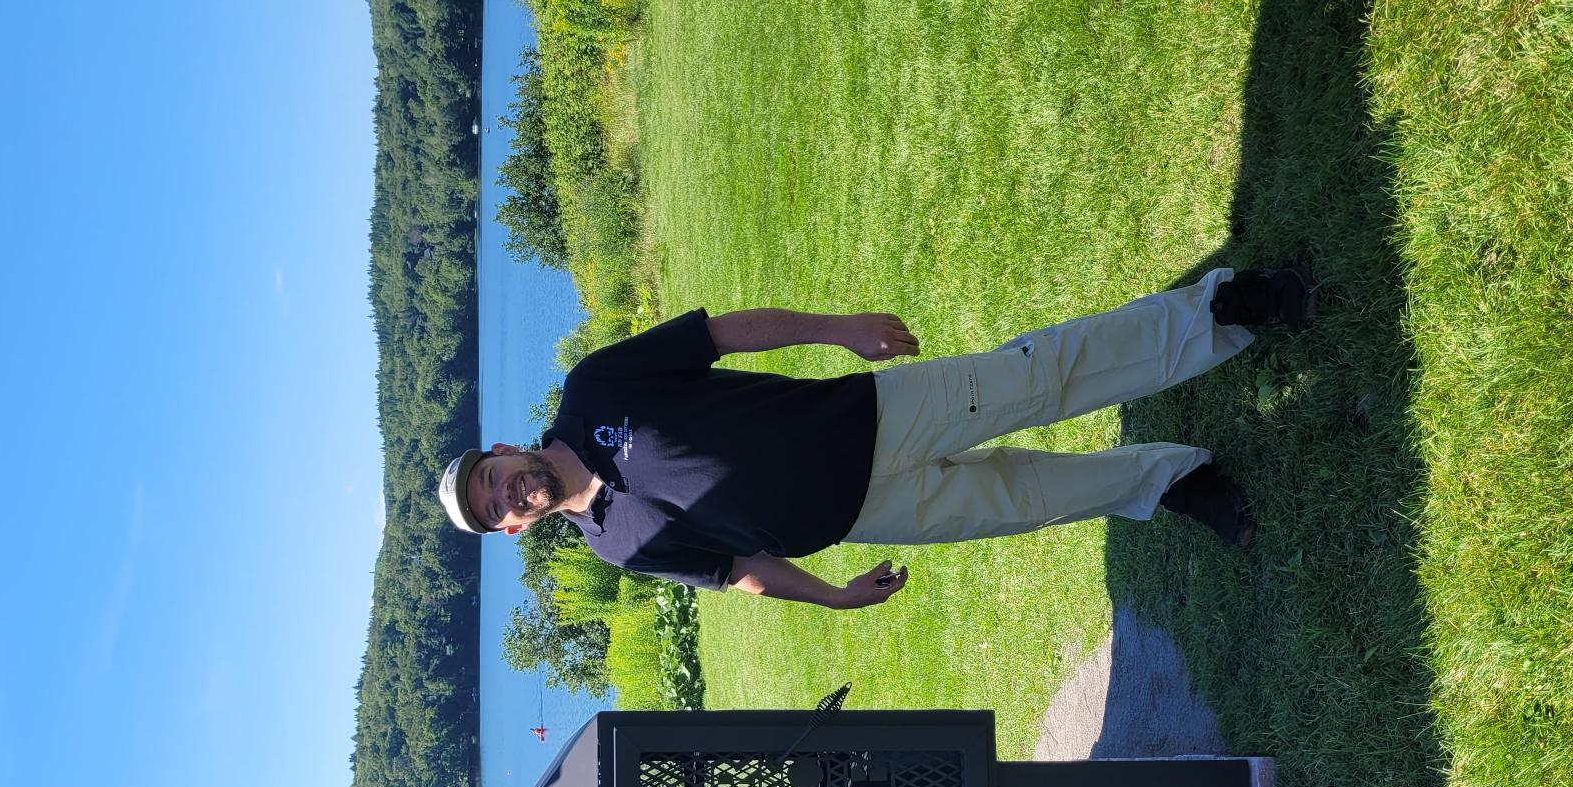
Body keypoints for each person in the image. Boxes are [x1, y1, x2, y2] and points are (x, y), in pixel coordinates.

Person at [437, 267, 1314, 609]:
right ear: (510, 528)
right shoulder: (618, 547)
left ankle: (1222, 310)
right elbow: (737, 569)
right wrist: (834, 597)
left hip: (870, 415)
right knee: (1031, 500)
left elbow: (718, 335)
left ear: (505, 450)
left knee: (1041, 378)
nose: (505, 491)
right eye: (492, 506)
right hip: (865, 514)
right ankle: (1168, 484)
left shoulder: (593, 388)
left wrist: (839, 329)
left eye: (490, 475)